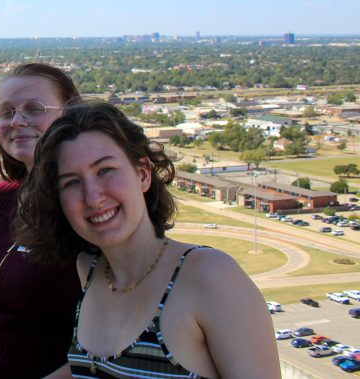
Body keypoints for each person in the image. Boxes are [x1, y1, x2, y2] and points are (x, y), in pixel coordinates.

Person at [19, 102, 281, 379]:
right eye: (71, 182)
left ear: (143, 174)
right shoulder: (90, 271)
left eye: (105, 170)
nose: (93, 196)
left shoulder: (211, 277)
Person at [0, 63, 83, 379]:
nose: (17, 122)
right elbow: (2, 304)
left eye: (34, 109)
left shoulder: (88, 207)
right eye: (6, 112)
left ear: (70, 114)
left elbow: (111, 326)